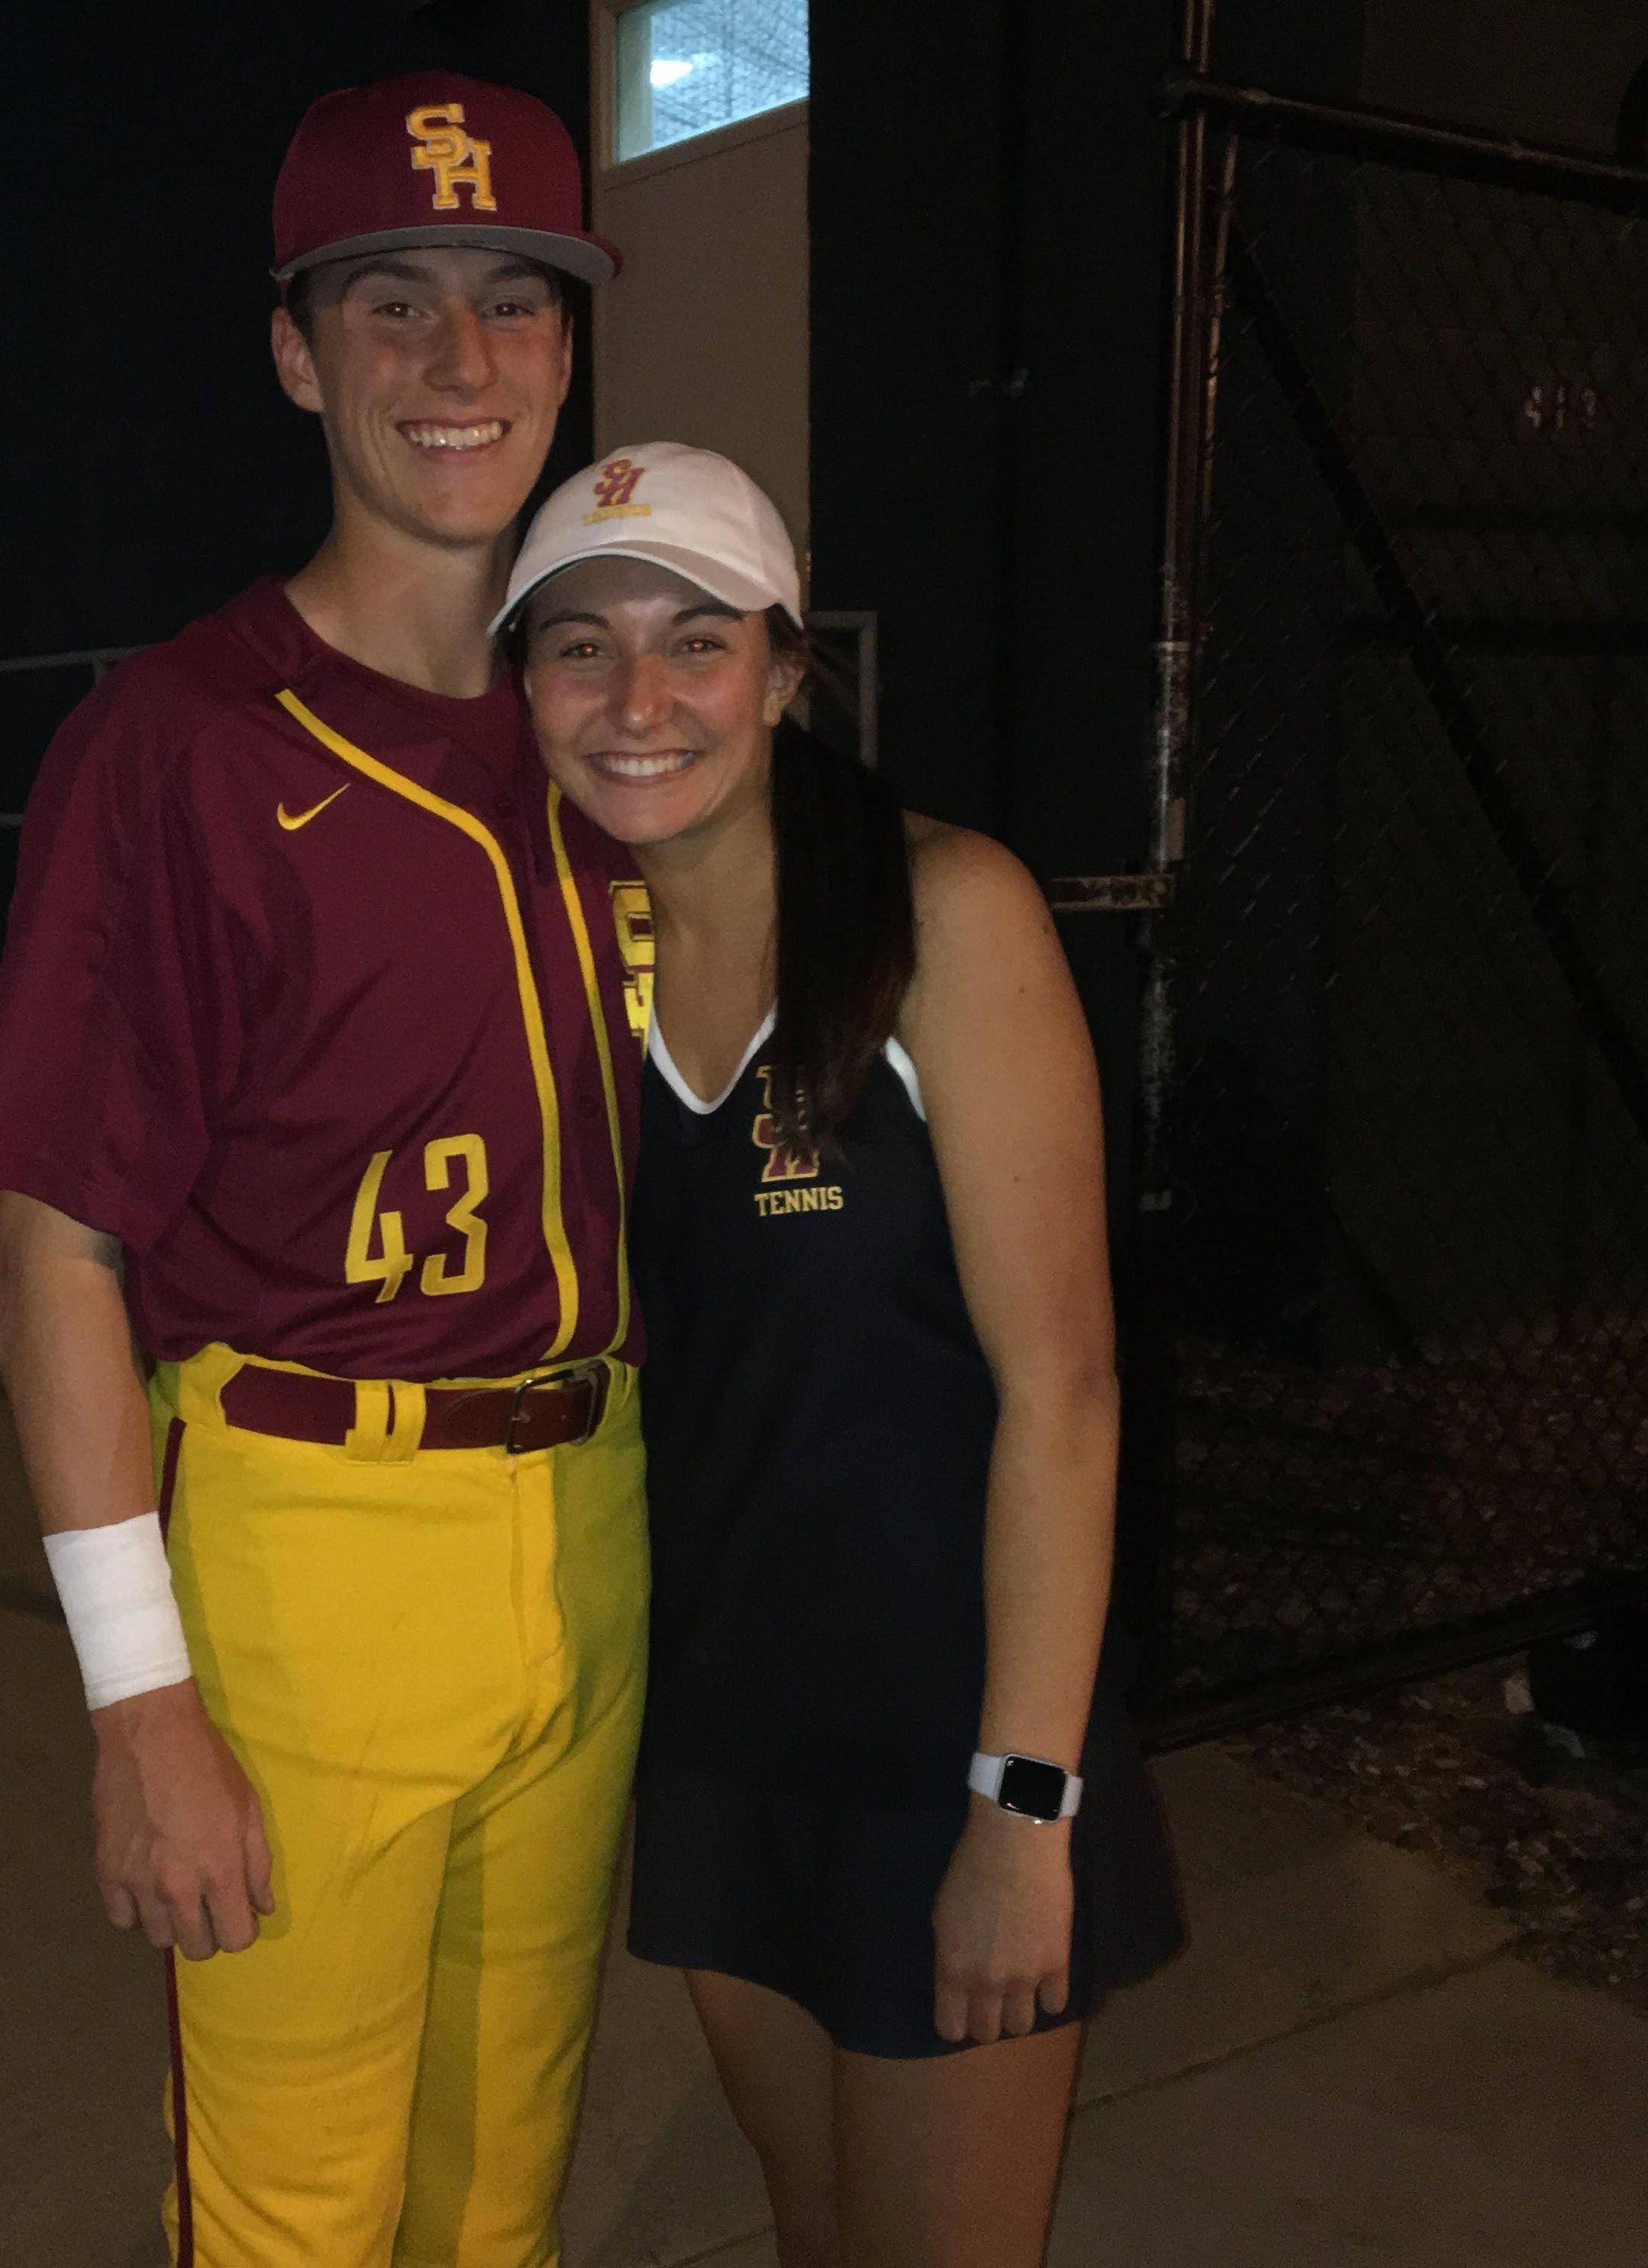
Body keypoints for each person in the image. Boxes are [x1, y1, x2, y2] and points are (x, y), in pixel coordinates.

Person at [0, 76, 649, 2268]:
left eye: (515, 300)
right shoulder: (180, 746)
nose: (460, 364)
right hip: (311, 1541)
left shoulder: (621, 732)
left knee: (498, 2193)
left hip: (593, 1512)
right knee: (292, 2226)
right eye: (392, 302)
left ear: (568, 341)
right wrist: (139, 1692)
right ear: (294, 350)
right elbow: (53, 1249)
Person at [504, 443, 1185, 2268]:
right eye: (579, 647)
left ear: (786, 670)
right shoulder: (569, 955)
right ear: (527, 688)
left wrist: (1019, 1808)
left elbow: (1065, 1390)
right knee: (817, 2230)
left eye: (696, 640)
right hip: (721, 1734)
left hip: (943, 1746)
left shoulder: (941, 913)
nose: (637, 700)